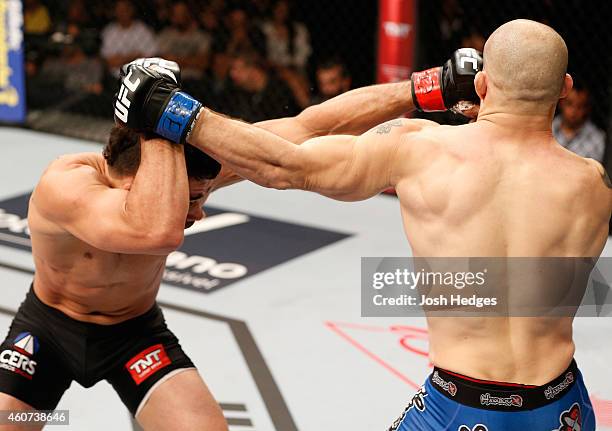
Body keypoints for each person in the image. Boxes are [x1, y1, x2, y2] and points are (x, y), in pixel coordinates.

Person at [118, 20, 610, 430]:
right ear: (565, 90)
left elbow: (288, 163)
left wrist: (171, 109)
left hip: (460, 405)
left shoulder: (420, 149)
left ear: (481, 85)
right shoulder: (594, 183)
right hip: (561, 406)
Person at [0, 58, 427, 430]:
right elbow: (154, 230)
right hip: (47, 332)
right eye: (190, 201)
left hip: (134, 334)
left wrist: (424, 87)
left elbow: (309, 127)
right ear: (135, 181)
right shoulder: (67, 184)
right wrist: (156, 116)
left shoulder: (187, 173)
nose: (198, 214)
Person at [100, 0, 157, 76]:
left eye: (125, 9)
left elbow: (151, 58)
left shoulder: (143, 30)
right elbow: (109, 62)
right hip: (115, 78)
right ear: (115, 12)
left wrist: (121, 59)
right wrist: (134, 56)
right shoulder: (109, 32)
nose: (122, 13)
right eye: (119, 10)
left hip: (141, 77)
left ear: (131, 10)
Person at [553, 83, 606, 162]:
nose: (574, 111)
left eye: (580, 106)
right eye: (569, 104)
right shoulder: (547, 128)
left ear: (587, 108)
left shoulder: (597, 138)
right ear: (561, 103)